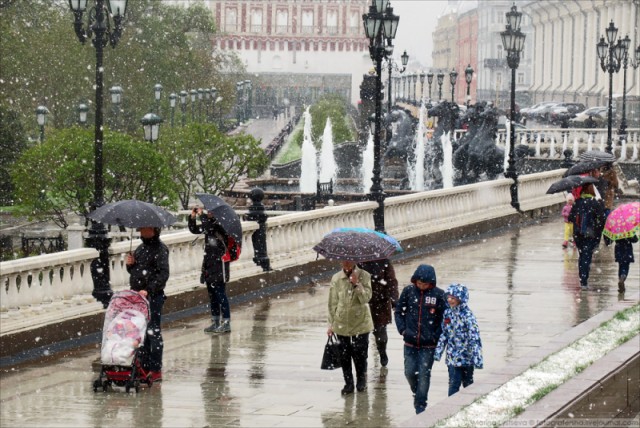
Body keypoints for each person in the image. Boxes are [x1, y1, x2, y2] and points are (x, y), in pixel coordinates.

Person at [394, 264, 447, 414]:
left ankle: (420, 405)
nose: (421, 286)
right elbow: (399, 311)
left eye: (424, 283)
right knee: (409, 372)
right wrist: (403, 330)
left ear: (431, 282)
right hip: (410, 342)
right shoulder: (408, 292)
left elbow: (444, 318)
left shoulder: (438, 295)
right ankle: (417, 393)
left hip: (428, 345)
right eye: (419, 283)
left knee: (424, 373)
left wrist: (435, 336)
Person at [126, 227, 170, 382]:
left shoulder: (160, 249)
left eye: (144, 229)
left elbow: (163, 274)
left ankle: (155, 369)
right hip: (138, 296)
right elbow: (135, 271)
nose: (141, 231)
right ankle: (143, 366)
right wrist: (130, 265)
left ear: (153, 230)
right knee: (140, 332)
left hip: (152, 297)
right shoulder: (140, 248)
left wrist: (148, 290)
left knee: (153, 332)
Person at [327, 260, 373, 395]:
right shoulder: (336, 278)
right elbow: (332, 303)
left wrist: (356, 283)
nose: (346, 265)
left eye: (349, 262)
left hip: (361, 322)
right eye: (343, 262)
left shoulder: (365, 275)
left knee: (360, 354)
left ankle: (361, 381)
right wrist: (331, 324)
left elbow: (366, 298)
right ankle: (348, 383)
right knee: (344, 355)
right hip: (342, 322)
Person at [434, 283, 484, 397]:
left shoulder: (468, 315)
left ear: (460, 299)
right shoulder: (447, 313)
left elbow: (474, 337)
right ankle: (451, 408)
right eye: (449, 297)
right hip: (452, 357)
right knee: (453, 384)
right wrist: (438, 352)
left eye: (453, 298)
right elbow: (444, 333)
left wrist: (477, 358)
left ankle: (470, 403)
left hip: (467, 357)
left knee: (468, 384)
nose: (450, 300)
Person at [189, 207, 232, 334]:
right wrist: (192, 218)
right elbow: (195, 229)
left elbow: (210, 227)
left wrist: (201, 216)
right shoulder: (210, 224)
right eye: (208, 211)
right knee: (212, 294)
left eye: (211, 212)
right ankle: (215, 321)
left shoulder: (221, 224)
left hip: (220, 263)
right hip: (209, 263)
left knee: (220, 294)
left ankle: (226, 322)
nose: (209, 213)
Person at [358, 259, 399, 367]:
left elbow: (391, 281)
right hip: (362, 302)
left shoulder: (384, 261)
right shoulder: (357, 262)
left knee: (380, 333)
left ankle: (382, 352)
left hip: (380, 302)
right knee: (362, 335)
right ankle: (363, 359)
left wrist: (394, 299)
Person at [568, 184, 606, 289]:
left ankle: (582, 278)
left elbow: (570, 218)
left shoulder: (578, 202)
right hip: (590, 234)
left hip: (578, 234)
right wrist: (597, 230)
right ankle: (584, 280)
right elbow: (602, 219)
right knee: (587, 255)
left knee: (582, 255)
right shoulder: (595, 203)